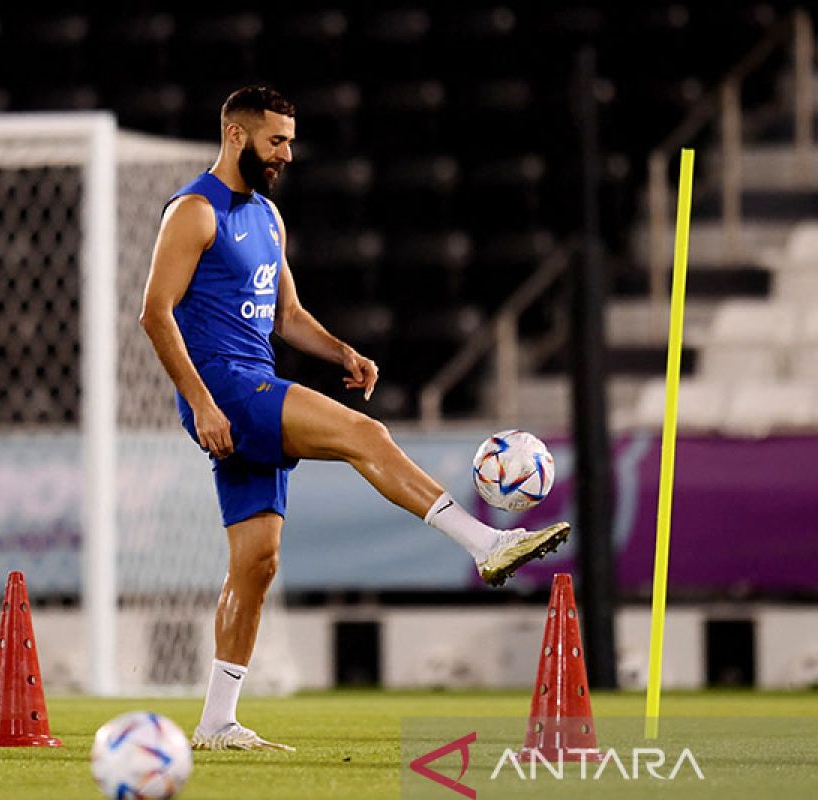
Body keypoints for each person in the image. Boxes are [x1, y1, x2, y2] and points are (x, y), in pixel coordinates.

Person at [139, 86, 571, 752]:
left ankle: (217, 721)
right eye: (275, 140)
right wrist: (200, 402)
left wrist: (342, 351)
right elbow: (154, 313)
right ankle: (487, 545)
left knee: (257, 564)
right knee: (365, 436)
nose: (287, 152)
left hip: (250, 384)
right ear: (235, 136)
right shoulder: (196, 212)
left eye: (289, 139)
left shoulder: (268, 219)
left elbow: (287, 315)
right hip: (227, 388)